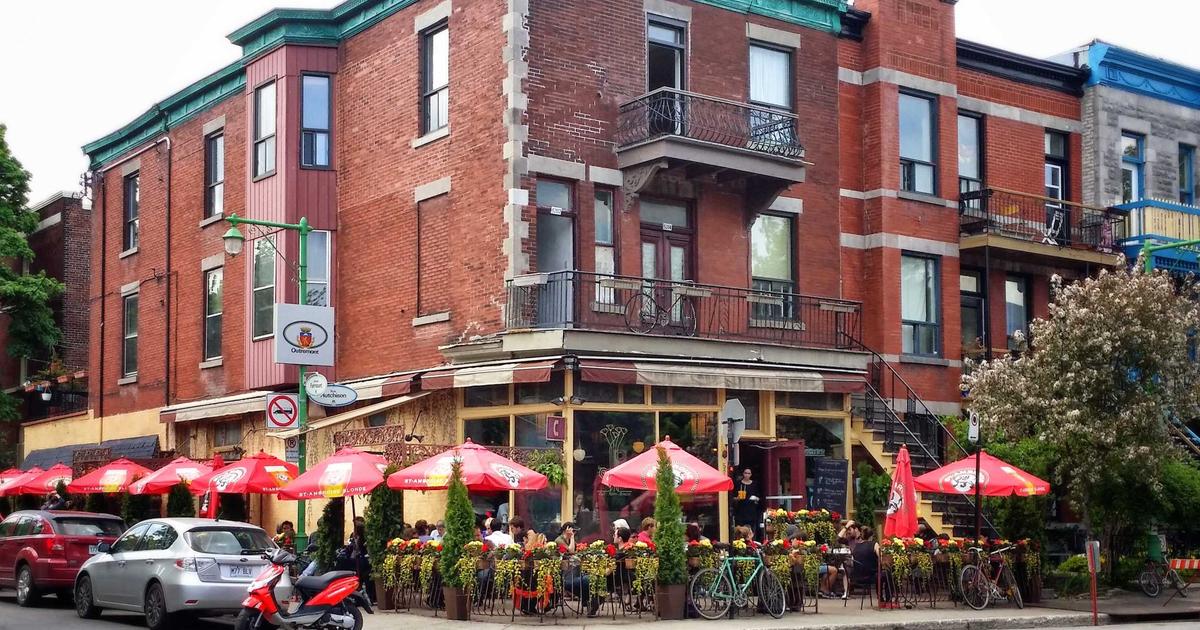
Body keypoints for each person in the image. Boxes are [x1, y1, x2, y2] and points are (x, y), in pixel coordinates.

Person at [732, 468, 761, 537]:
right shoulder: (738, 484)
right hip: (740, 511)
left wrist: (756, 499)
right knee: (740, 530)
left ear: (751, 475)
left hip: (751, 511)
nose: (747, 475)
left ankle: (750, 541)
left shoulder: (754, 484)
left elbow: (758, 498)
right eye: (745, 473)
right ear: (743, 474)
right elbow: (732, 497)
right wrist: (737, 498)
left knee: (751, 529)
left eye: (748, 473)